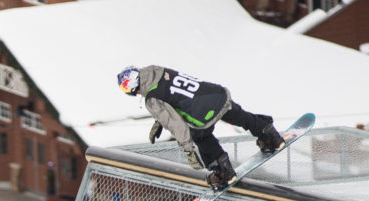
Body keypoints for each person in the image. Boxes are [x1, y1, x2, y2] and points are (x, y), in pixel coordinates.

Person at [115, 65, 284, 190]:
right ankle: (268, 134)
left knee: (201, 136)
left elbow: (176, 124)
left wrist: (188, 149)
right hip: (215, 94)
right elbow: (172, 95)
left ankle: (222, 171)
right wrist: (159, 121)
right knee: (236, 114)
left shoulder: (151, 99)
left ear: (131, 87)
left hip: (202, 113)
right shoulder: (157, 71)